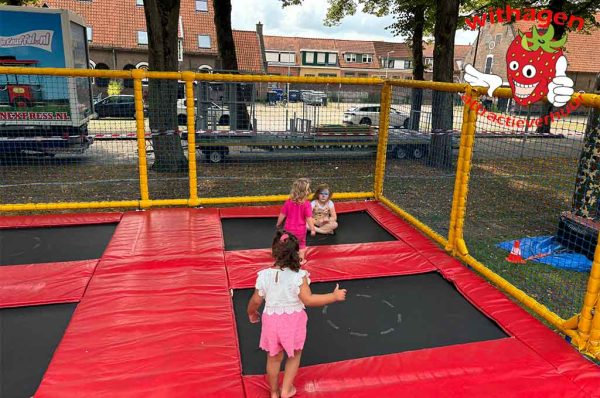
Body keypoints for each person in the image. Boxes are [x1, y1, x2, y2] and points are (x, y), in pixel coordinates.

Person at [247, 230, 347, 398]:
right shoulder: (299, 276)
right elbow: (308, 300)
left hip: (271, 322)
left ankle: (273, 392)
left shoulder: (264, 275)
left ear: (274, 252)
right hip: (293, 321)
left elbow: (256, 300)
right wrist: (333, 296)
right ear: (296, 254)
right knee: (294, 355)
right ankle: (286, 390)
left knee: (273, 358)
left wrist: (251, 312)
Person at [276, 178, 316, 263]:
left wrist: (278, 223)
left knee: (287, 243)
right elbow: (309, 218)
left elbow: (282, 215)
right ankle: (301, 260)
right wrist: (312, 229)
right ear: (306, 192)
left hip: (288, 230)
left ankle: (284, 259)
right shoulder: (307, 204)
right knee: (301, 245)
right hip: (300, 231)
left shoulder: (288, 202)